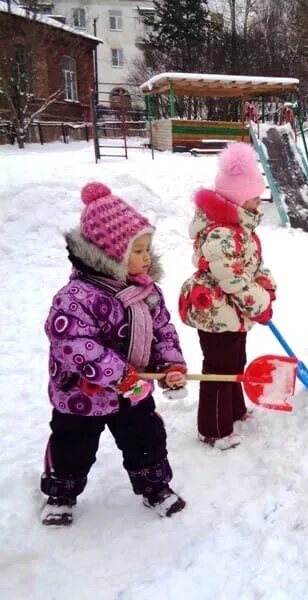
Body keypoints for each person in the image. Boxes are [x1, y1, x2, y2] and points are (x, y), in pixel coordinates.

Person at [41, 182, 187, 526]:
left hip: (133, 392)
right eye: (138, 250)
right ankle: (61, 494)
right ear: (110, 253)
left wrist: (170, 365)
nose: (147, 257)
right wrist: (119, 375)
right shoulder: (75, 298)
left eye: (148, 248)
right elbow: (74, 345)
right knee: (72, 446)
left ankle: (155, 486)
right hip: (80, 394)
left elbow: (163, 330)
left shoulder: (147, 292)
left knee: (146, 437)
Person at [179, 143, 276, 450]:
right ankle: (214, 429)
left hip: (232, 312)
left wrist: (267, 286)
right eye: (254, 198)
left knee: (234, 362)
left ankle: (233, 411)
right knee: (219, 371)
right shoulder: (222, 233)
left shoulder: (238, 228)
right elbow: (233, 280)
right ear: (237, 197)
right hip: (217, 313)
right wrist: (259, 304)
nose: (258, 205)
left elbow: (252, 266)